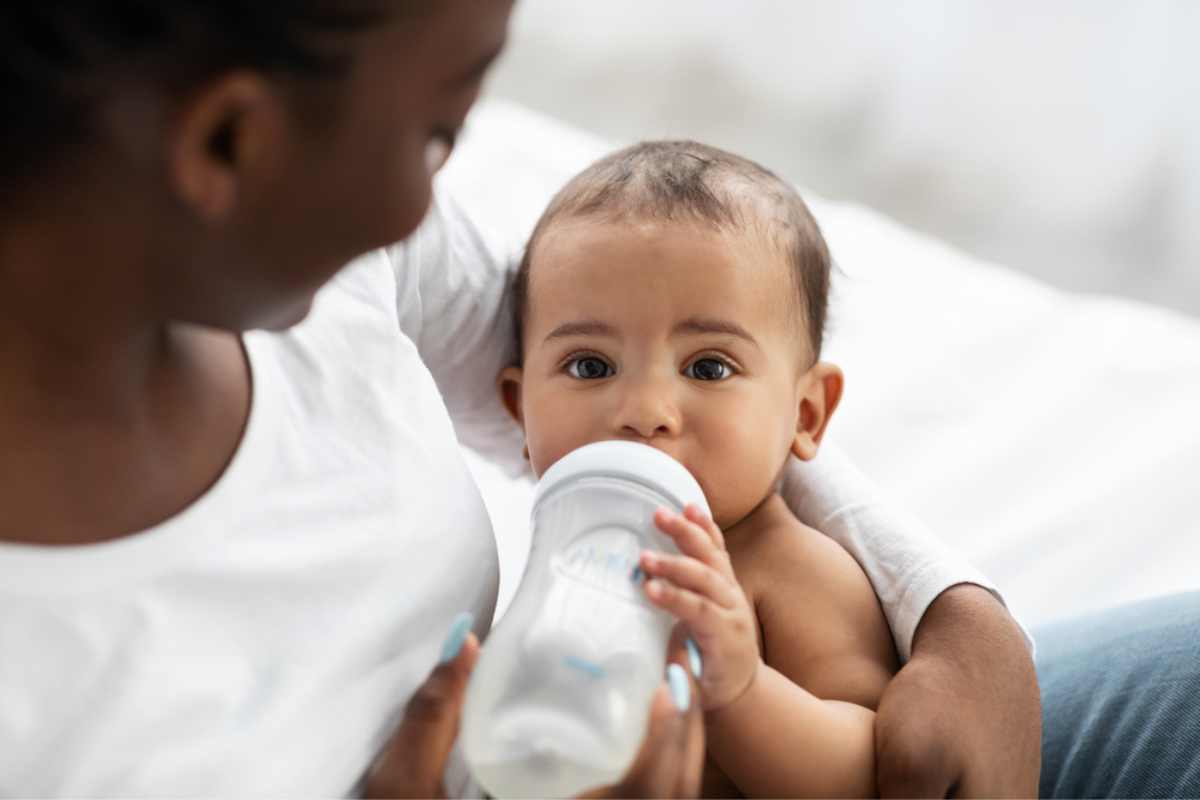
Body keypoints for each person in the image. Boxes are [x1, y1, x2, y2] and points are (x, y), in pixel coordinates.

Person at [5, 1, 1188, 797]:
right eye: (433, 138)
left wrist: (957, 613)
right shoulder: (51, 688)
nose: (435, 213)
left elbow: (650, 410)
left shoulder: (336, 264)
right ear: (228, 142)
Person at [496, 140, 898, 796]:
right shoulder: (566, 556)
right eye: (590, 366)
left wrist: (742, 687)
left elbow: (869, 774)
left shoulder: (793, 570)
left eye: (709, 367)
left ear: (805, 414)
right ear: (519, 410)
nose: (645, 411)